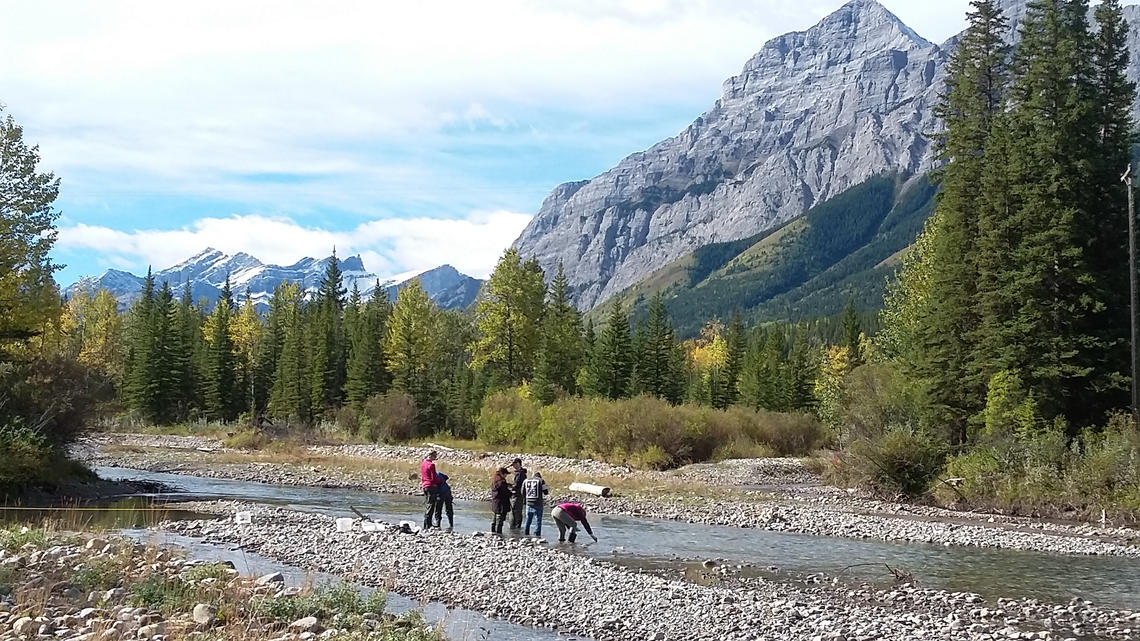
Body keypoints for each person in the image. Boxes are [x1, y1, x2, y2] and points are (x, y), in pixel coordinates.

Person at [521, 471, 548, 536]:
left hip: (528, 503)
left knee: (528, 520)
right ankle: (537, 535)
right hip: (538, 503)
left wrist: (525, 499)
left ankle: (526, 533)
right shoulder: (541, 481)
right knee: (538, 520)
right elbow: (546, 492)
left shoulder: (526, 480)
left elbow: (522, 492)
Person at [420, 451, 441, 530]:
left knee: (428, 504)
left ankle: (426, 524)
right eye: (435, 456)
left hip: (425, 485)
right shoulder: (431, 465)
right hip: (431, 486)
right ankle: (428, 524)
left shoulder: (423, 463)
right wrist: (441, 481)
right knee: (431, 505)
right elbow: (433, 478)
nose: (436, 457)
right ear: (431, 456)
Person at [490, 467, 512, 534]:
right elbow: (504, 492)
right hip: (501, 504)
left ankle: (493, 533)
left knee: (494, 520)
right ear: (502, 474)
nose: (506, 476)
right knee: (500, 520)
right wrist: (511, 493)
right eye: (505, 474)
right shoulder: (502, 482)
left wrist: (507, 485)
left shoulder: (494, 480)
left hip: (495, 502)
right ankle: (499, 534)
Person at [509, 458, 527, 530]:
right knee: (515, 511)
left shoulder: (520, 473)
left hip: (518, 494)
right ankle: (515, 527)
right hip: (518, 494)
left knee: (516, 511)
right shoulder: (519, 472)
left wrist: (510, 487)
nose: (513, 466)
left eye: (514, 464)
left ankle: (515, 528)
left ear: (518, 463)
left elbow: (517, 485)